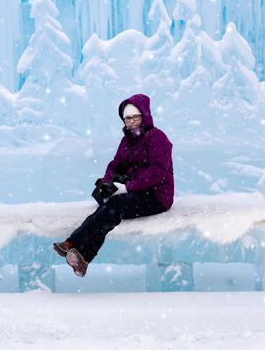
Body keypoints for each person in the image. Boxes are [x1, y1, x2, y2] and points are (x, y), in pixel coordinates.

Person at [52, 94, 174, 277]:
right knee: (107, 207)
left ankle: (74, 245)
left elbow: (158, 172)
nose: (131, 122)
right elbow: (115, 165)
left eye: (135, 117)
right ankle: (80, 256)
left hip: (157, 196)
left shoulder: (157, 137)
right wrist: (109, 184)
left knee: (114, 206)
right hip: (134, 192)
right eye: (127, 118)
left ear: (145, 116)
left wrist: (127, 188)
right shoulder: (127, 141)